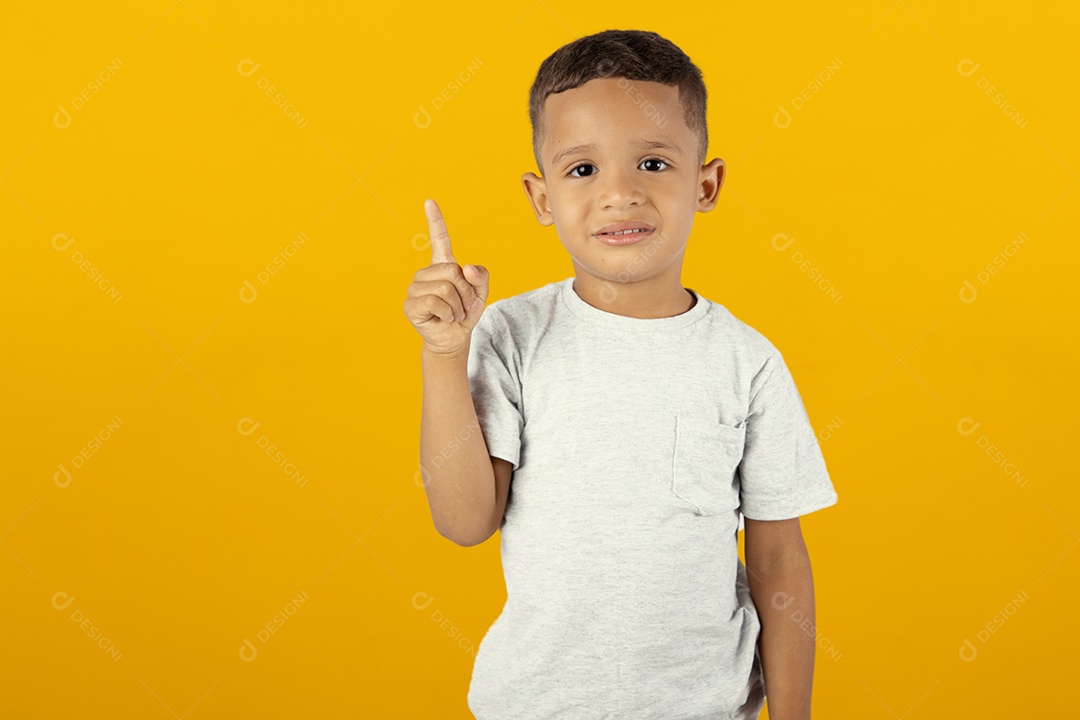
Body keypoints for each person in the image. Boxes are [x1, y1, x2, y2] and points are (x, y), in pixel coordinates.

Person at [403, 28, 838, 720]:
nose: (619, 194)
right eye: (582, 170)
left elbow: (779, 558)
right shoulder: (510, 336)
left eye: (653, 164)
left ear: (705, 184)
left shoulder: (747, 361)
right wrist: (444, 355)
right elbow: (464, 521)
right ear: (541, 198)